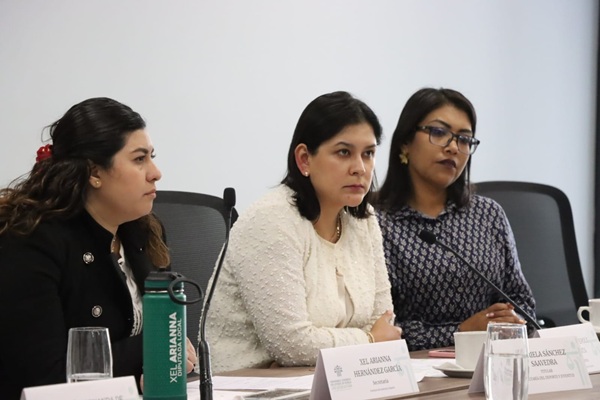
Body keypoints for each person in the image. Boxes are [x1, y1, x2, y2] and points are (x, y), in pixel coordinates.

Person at [0, 97, 196, 399]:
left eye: (152, 157)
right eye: (139, 159)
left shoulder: (142, 231)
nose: (156, 173)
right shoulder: (31, 241)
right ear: (94, 173)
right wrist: (156, 348)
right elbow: (46, 376)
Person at [205, 91, 403, 373]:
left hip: (330, 377)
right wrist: (368, 341)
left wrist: (359, 342)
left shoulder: (363, 220)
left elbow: (384, 321)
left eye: (368, 154)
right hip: (247, 383)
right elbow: (291, 343)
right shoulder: (272, 220)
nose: (360, 168)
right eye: (344, 152)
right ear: (304, 160)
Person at [375, 88, 536, 351]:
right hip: (411, 368)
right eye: (439, 132)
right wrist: (461, 332)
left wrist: (509, 320)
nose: (453, 147)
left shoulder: (488, 215)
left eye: (464, 139)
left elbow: (522, 303)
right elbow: (379, 329)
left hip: (489, 360)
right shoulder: (375, 222)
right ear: (405, 142)